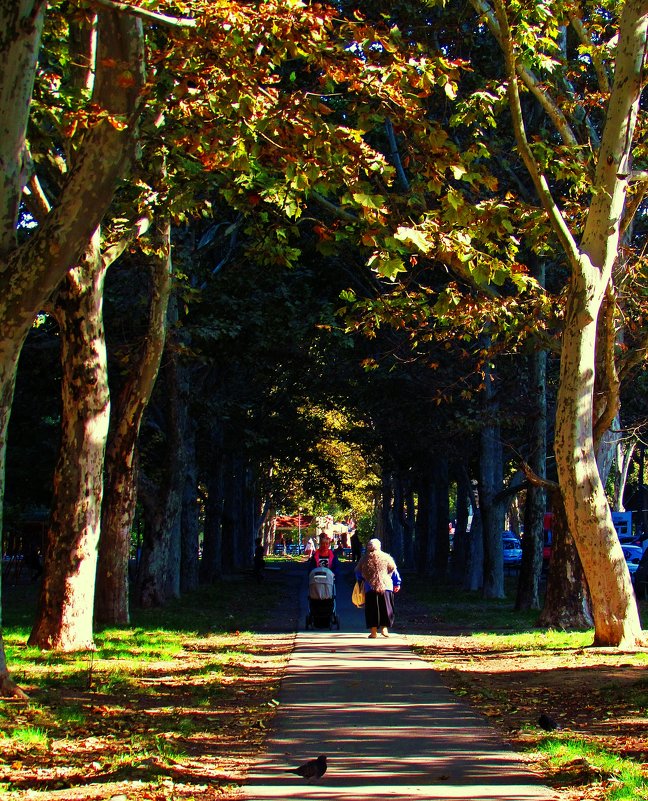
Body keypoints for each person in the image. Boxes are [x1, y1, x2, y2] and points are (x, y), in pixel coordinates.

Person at [355, 538, 401, 638]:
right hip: (386, 586)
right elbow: (393, 570)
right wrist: (397, 583)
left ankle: (374, 631)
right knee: (386, 608)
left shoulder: (364, 558)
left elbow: (358, 573)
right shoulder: (387, 557)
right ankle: (384, 628)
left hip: (370, 587)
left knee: (372, 609)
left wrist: (362, 580)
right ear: (379, 547)